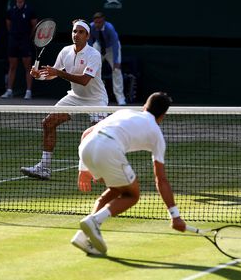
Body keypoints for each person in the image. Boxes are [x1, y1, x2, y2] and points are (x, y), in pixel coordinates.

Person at [70, 92, 186, 255]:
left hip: (86, 148)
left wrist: (83, 170)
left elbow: (86, 133)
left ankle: (83, 235)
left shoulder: (124, 112)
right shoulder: (157, 135)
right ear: (163, 116)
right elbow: (161, 180)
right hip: (108, 148)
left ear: (145, 106)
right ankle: (94, 221)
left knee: (116, 190)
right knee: (132, 195)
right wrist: (175, 216)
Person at [20, 19, 108, 180]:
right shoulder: (65, 51)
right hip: (75, 97)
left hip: (96, 99)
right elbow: (53, 73)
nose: (77, 35)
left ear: (87, 36)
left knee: (97, 135)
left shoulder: (93, 54)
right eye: (75, 31)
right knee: (48, 123)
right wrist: (39, 75)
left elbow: (84, 80)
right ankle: (44, 167)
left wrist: (58, 73)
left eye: (81, 32)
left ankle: (103, 168)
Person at [1, 0, 38, 100]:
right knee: (12, 66)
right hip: (13, 41)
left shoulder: (30, 10)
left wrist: (27, 37)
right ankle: (9, 90)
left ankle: (28, 91)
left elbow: (34, 26)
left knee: (28, 67)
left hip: (25, 41)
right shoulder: (10, 11)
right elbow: (8, 25)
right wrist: (14, 35)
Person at [88, 12, 127, 106]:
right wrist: (88, 56)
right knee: (92, 70)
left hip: (111, 49)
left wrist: (116, 61)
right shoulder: (91, 27)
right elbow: (89, 41)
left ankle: (120, 99)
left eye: (99, 22)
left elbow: (115, 44)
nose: (97, 24)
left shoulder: (110, 28)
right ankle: (93, 97)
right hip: (99, 46)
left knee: (117, 70)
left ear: (103, 21)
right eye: (96, 22)